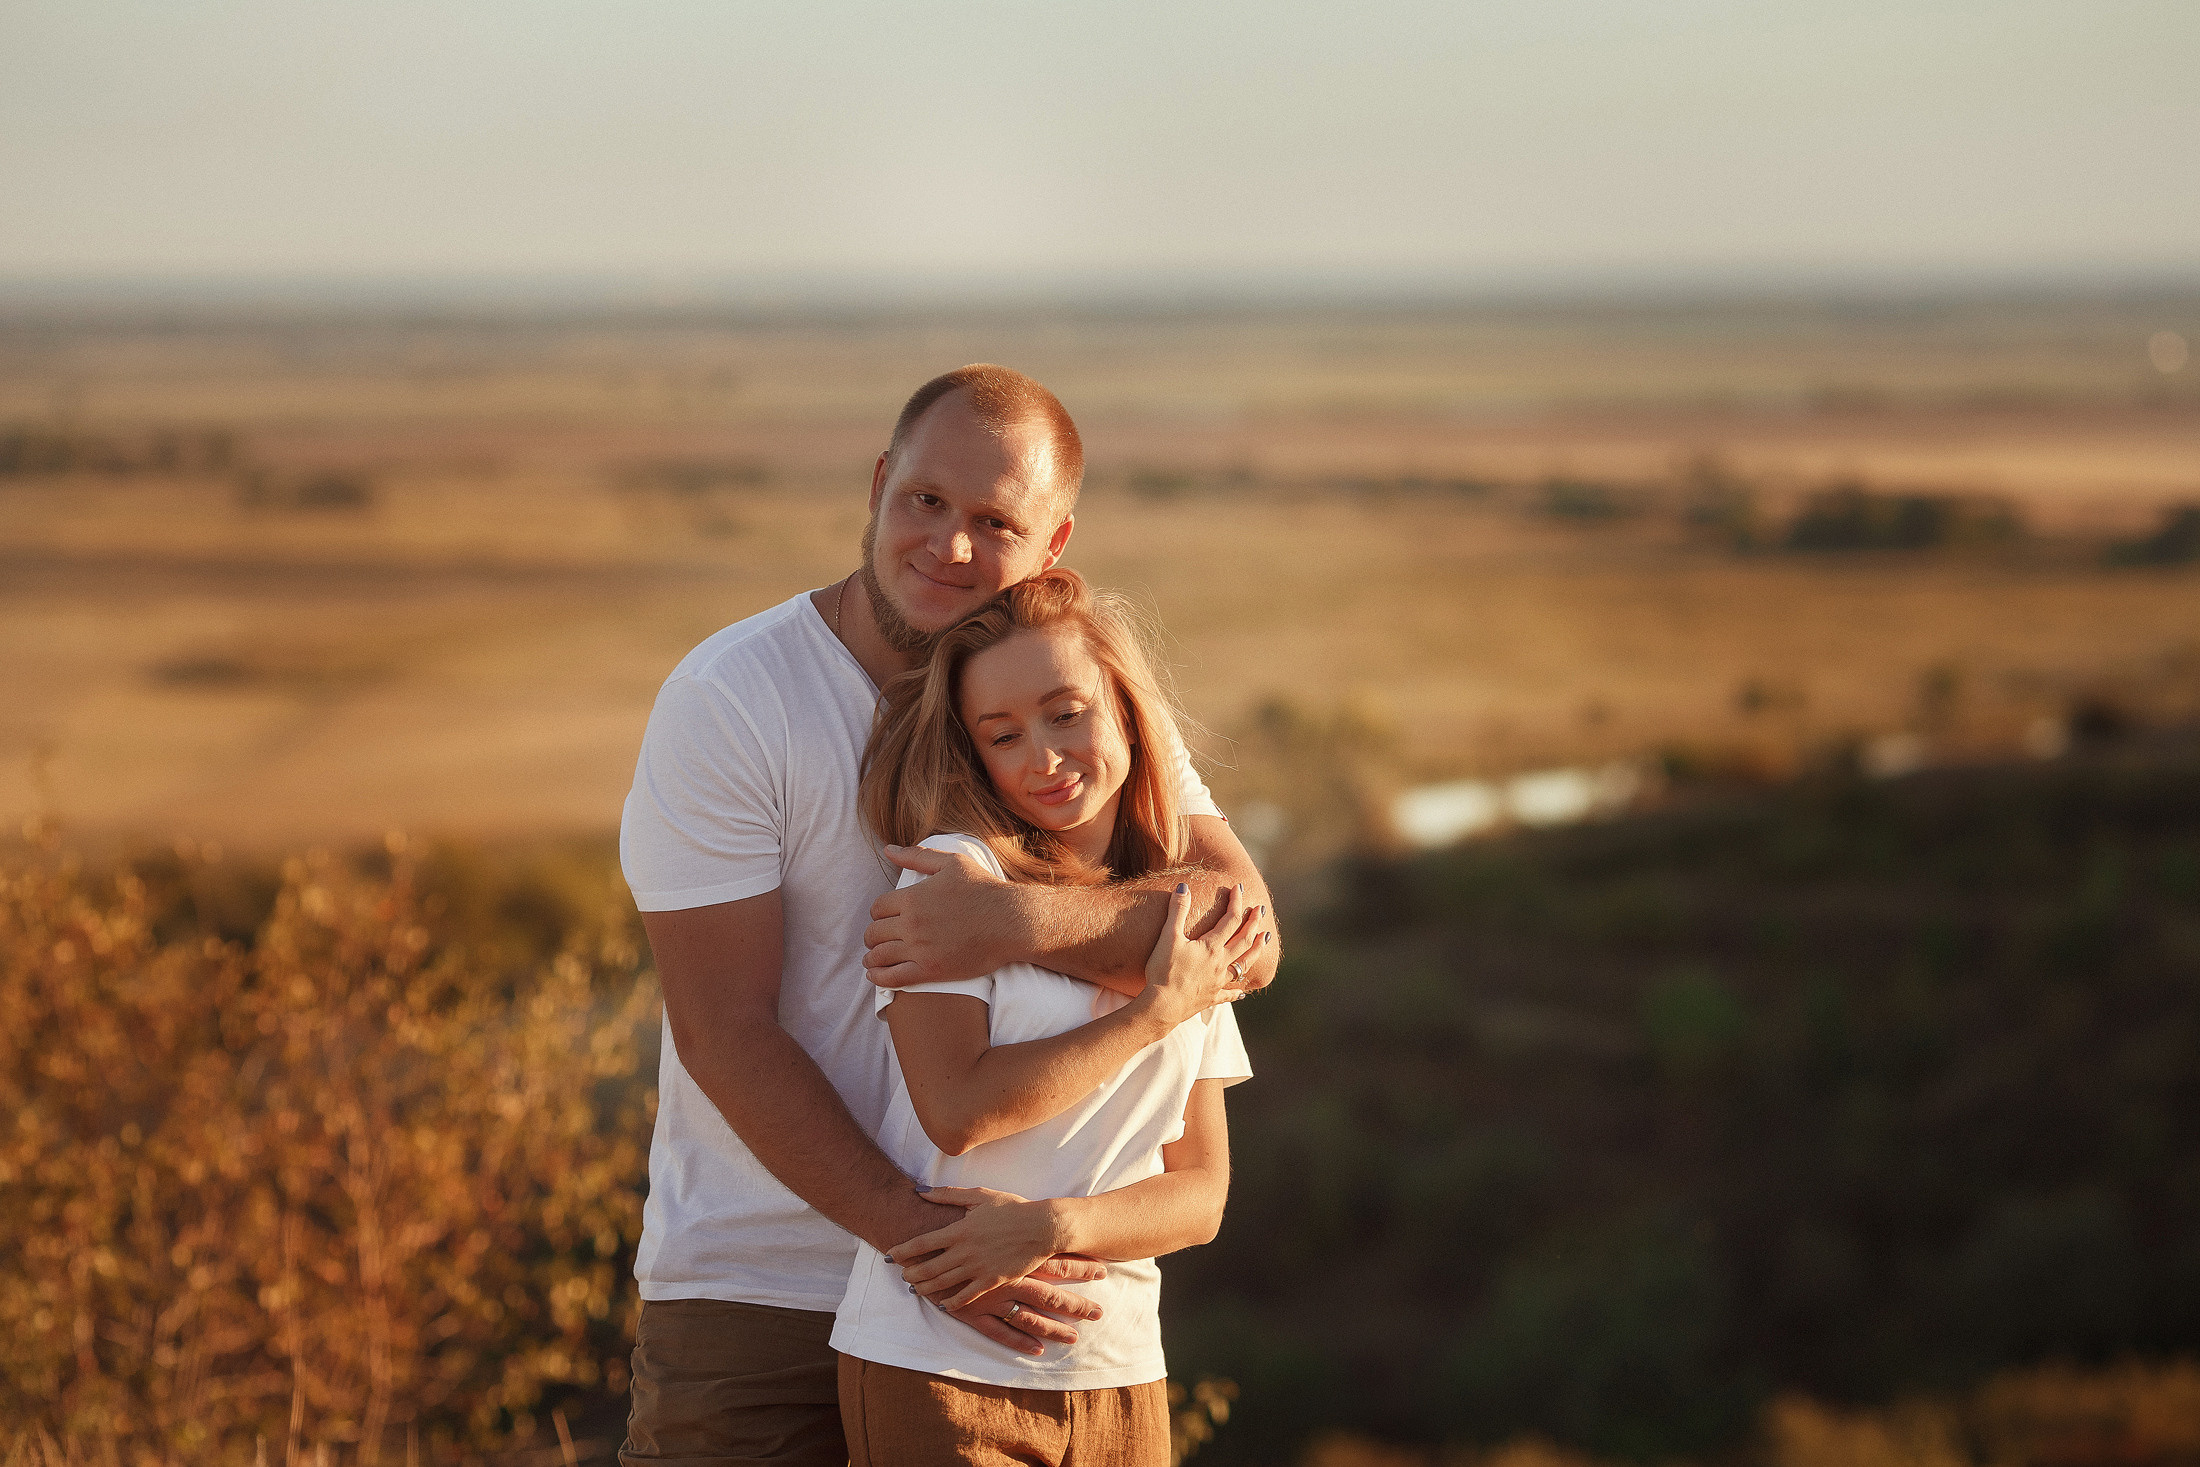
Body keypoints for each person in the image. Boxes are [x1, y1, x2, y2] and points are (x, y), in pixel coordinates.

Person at [617, 364, 1281, 1465]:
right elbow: (725, 1032)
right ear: (879, 483)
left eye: (993, 522)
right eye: (925, 501)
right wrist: (926, 1246)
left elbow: (1241, 935)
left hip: (1022, 1312)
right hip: (764, 1285)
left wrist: (1013, 925)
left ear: (1051, 546)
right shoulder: (731, 700)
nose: (950, 546)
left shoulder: (1078, 704)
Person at [833, 567, 1262, 1466]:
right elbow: (957, 1106)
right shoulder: (954, 881)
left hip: (1120, 1376)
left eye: (1068, 712)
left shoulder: (1180, 915)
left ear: (1128, 709)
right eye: (1004, 734)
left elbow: (1202, 1194)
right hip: (939, 1367)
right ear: (975, 754)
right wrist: (1149, 1016)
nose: (1043, 756)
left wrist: (1052, 1226)